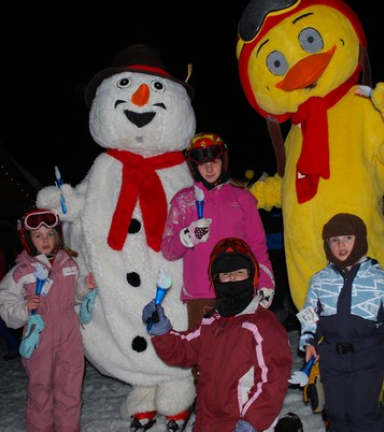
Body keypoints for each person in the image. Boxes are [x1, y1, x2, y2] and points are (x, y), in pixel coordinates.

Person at [143, 237, 292, 432]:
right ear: (215, 280)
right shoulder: (211, 321)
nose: (231, 279)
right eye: (225, 275)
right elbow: (184, 350)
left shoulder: (263, 325)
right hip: (207, 421)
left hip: (243, 423)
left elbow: (272, 379)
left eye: (239, 273)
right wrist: (161, 330)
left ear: (252, 276)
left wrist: (252, 421)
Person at [161, 132, 275, 330]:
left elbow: (257, 245)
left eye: (214, 160)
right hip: (200, 297)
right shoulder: (183, 201)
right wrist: (187, 237)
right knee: (203, 358)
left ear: (223, 160)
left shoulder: (242, 198)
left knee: (240, 357)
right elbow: (168, 251)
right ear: (193, 166)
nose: (209, 167)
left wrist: (265, 282)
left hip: (239, 292)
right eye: (202, 162)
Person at [0, 208, 97, 432]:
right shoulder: (21, 271)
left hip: (68, 333)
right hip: (39, 334)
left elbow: (72, 297)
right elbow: (5, 303)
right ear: (28, 239)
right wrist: (24, 308)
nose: (45, 240)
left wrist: (85, 287)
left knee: (70, 388)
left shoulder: (69, 264)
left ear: (58, 236)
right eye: (38, 236)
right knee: (41, 390)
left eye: (50, 234)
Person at [297, 213, 384, 432]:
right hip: (332, 358)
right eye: (334, 240)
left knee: (361, 412)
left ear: (360, 240)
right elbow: (309, 315)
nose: (341, 244)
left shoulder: (378, 279)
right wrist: (308, 341)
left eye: (347, 237)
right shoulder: (319, 280)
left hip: (368, 356)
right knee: (336, 412)